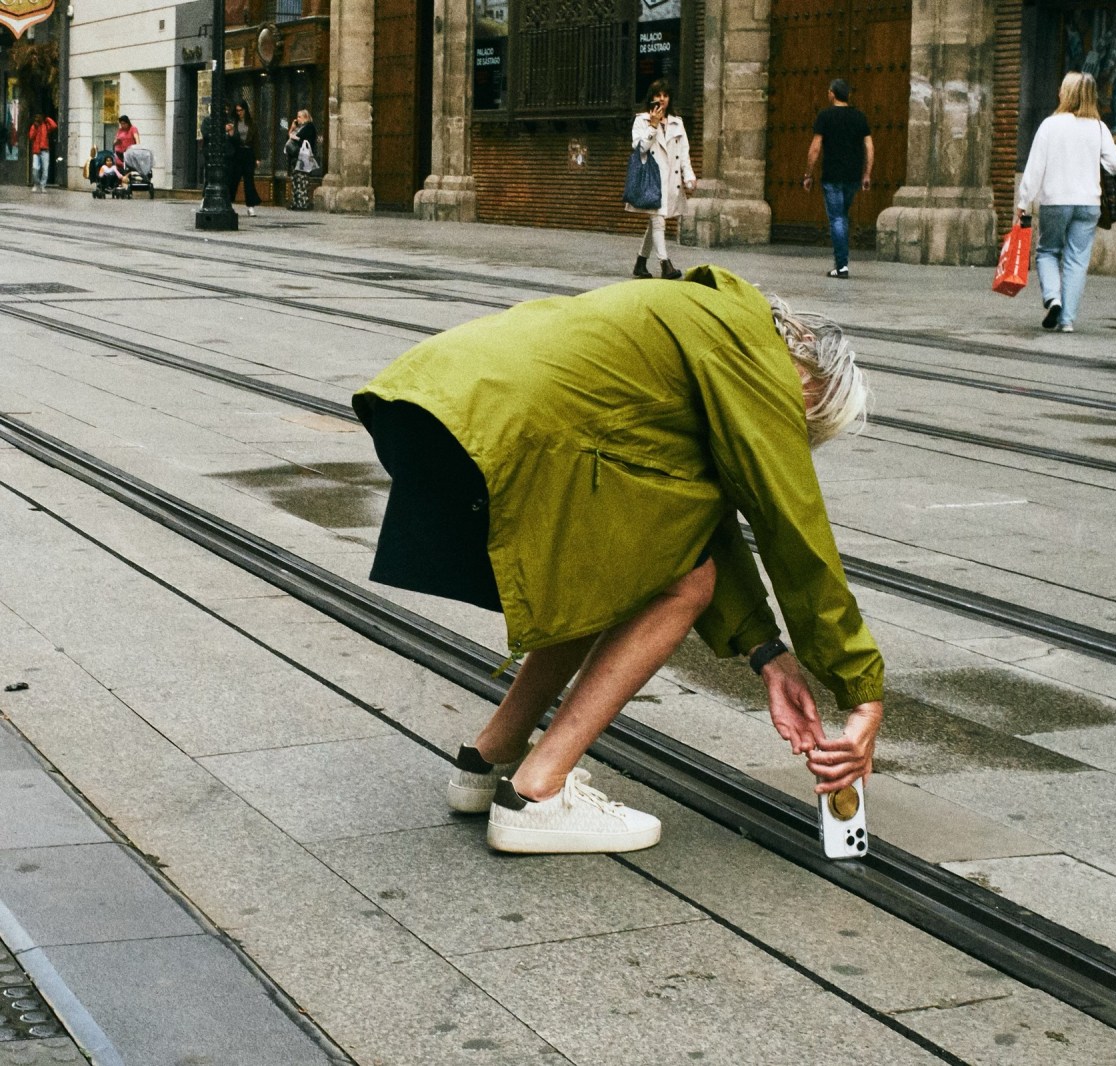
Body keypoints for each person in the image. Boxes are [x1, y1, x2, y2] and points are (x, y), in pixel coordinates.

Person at [352, 265, 884, 855]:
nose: (795, 428)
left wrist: (768, 654)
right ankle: (536, 796)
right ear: (806, 365)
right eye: (805, 418)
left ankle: (491, 758)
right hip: (497, 429)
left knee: (621, 559)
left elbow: (690, 521)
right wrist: (861, 688)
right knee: (685, 586)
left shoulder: (704, 320)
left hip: (431, 407)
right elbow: (792, 523)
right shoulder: (753, 355)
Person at [1013, 71, 1116, 333]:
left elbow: (1035, 167)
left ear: (1068, 94)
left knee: (1048, 251)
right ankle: (1067, 321)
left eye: (1063, 89)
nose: (1059, 93)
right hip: (1089, 203)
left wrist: (1023, 201)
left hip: (1057, 200)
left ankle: (1053, 298)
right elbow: (1115, 163)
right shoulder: (1098, 127)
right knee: (1077, 259)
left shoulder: (1051, 125)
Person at [802, 79, 873, 280]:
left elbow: (815, 147)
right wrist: (866, 174)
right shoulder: (859, 116)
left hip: (832, 176)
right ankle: (841, 262)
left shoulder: (825, 116)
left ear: (832, 94)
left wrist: (808, 174)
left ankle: (841, 266)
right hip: (853, 177)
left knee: (837, 219)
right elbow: (869, 146)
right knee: (842, 216)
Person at [627, 79, 696, 280]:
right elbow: (640, 148)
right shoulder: (641, 120)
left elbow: (684, 153)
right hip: (653, 181)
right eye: (658, 95)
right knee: (658, 221)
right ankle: (665, 264)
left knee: (656, 221)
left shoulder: (677, 122)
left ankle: (641, 263)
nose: (662, 99)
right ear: (651, 98)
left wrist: (689, 176)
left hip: (671, 181)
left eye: (665, 96)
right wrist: (653, 126)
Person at [227, 102, 262, 217]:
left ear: (245, 110)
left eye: (241, 110)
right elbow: (231, 141)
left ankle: (250, 206)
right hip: (237, 153)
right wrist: (231, 134)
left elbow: (256, 141)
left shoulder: (252, 123)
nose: (239, 113)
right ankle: (229, 202)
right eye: (237, 111)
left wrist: (257, 157)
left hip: (248, 153)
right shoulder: (234, 122)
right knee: (234, 179)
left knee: (249, 181)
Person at [284, 109, 318, 210]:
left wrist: (296, 137)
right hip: (296, 157)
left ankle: (302, 203)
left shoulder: (309, 127)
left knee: (302, 180)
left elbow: (305, 139)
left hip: (304, 157)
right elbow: (289, 138)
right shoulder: (299, 127)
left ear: (305, 117)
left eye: (299, 117)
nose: (297, 119)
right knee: (295, 179)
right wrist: (292, 128)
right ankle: (295, 201)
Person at [27, 114, 56, 192]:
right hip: (36, 151)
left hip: (45, 150)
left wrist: (48, 118)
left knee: (45, 170)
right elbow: (31, 136)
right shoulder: (34, 126)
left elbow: (54, 126)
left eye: (38, 118)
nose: (37, 120)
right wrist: (35, 129)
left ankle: (43, 186)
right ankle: (36, 184)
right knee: (35, 169)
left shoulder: (45, 126)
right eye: (36, 119)